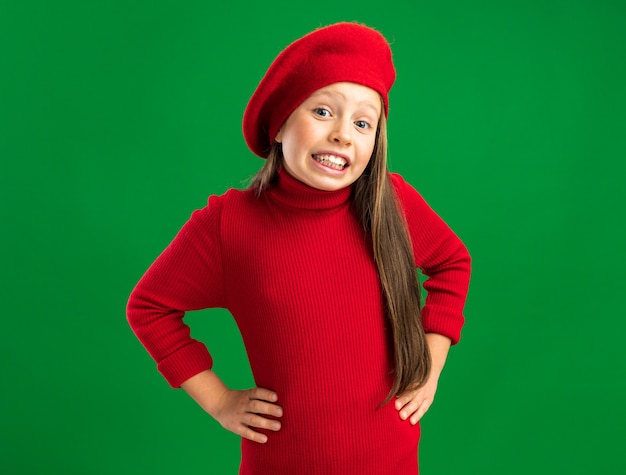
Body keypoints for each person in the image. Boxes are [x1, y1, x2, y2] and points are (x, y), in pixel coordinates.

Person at [127, 22, 471, 474]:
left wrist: (432, 360)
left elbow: (452, 262)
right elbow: (149, 307)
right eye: (324, 112)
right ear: (280, 123)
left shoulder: (393, 203)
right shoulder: (229, 224)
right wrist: (220, 402)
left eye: (363, 122)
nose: (343, 134)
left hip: (392, 461)